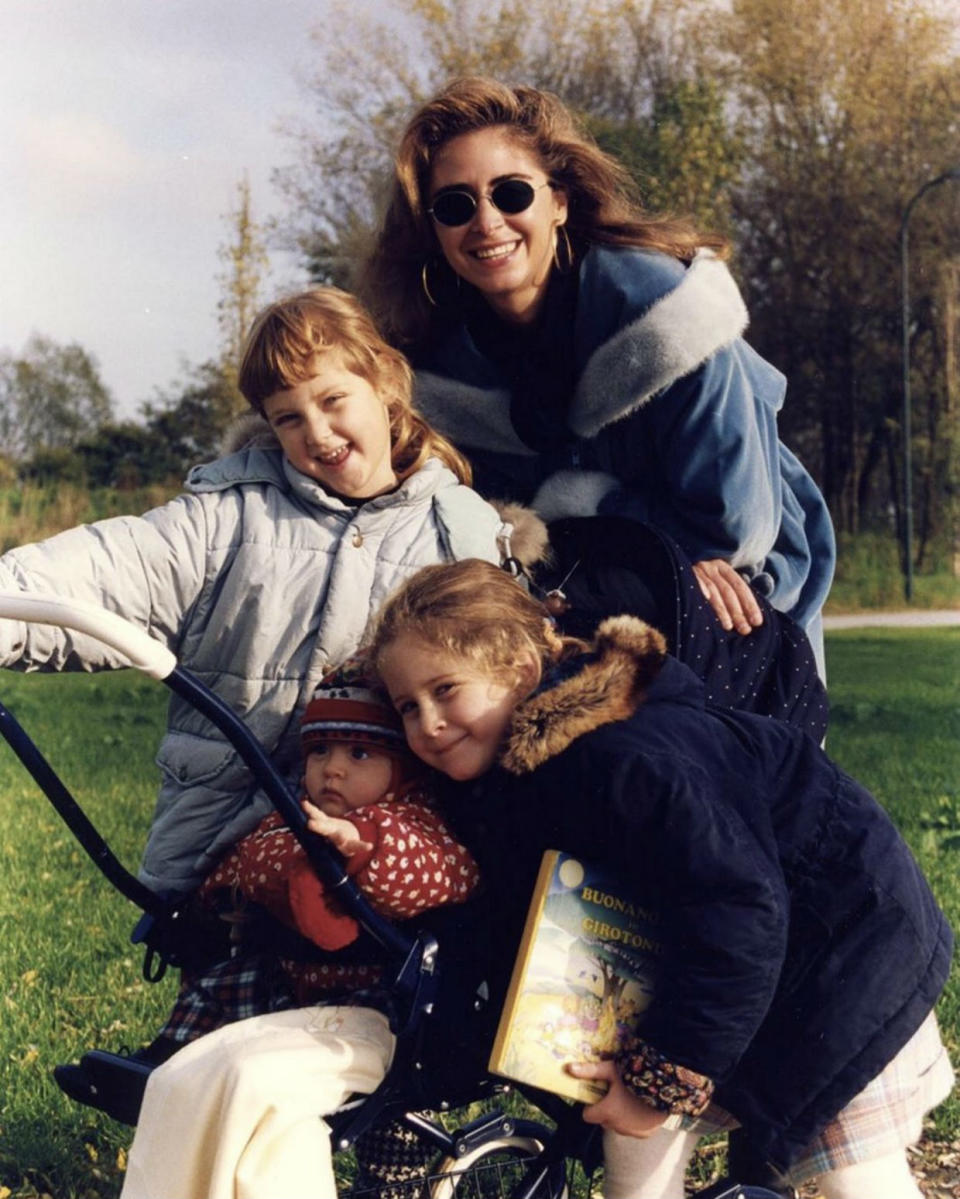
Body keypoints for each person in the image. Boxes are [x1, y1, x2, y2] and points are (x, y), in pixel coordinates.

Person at [366, 559, 954, 1199]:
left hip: (841, 949)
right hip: (720, 972)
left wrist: (665, 1077)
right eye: (407, 706)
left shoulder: (626, 759)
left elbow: (741, 906)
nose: (427, 723)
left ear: (520, 670)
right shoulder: (506, 785)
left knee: (852, 1171)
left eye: (446, 690)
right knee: (633, 1137)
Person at [0, 286, 509, 899]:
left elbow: (504, 691)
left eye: (333, 399)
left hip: (387, 888)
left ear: (387, 384)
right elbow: (96, 575)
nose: (317, 433)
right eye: (287, 417)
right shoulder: (225, 518)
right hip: (221, 873)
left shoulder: (460, 534)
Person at [359, 76, 836, 673]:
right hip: (574, 624)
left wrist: (572, 511)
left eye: (511, 194)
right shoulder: (434, 366)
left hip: (742, 605)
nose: (486, 222)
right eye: (455, 205)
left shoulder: (666, 315)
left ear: (558, 201)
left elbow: (731, 530)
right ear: (433, 231)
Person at [118, 662, 480, 1199]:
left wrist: (362, 845)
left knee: (396, 1136)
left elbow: (440, 873)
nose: (333, 770)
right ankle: (174, 1054)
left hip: (387, 1006)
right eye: (320, 753)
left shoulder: (413, 822)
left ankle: (396, 1185)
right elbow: (248, 859)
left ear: (401, 768)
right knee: (226, 984)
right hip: (297, 988)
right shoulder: (293, 819)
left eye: (359, 754)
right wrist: (224, 893)